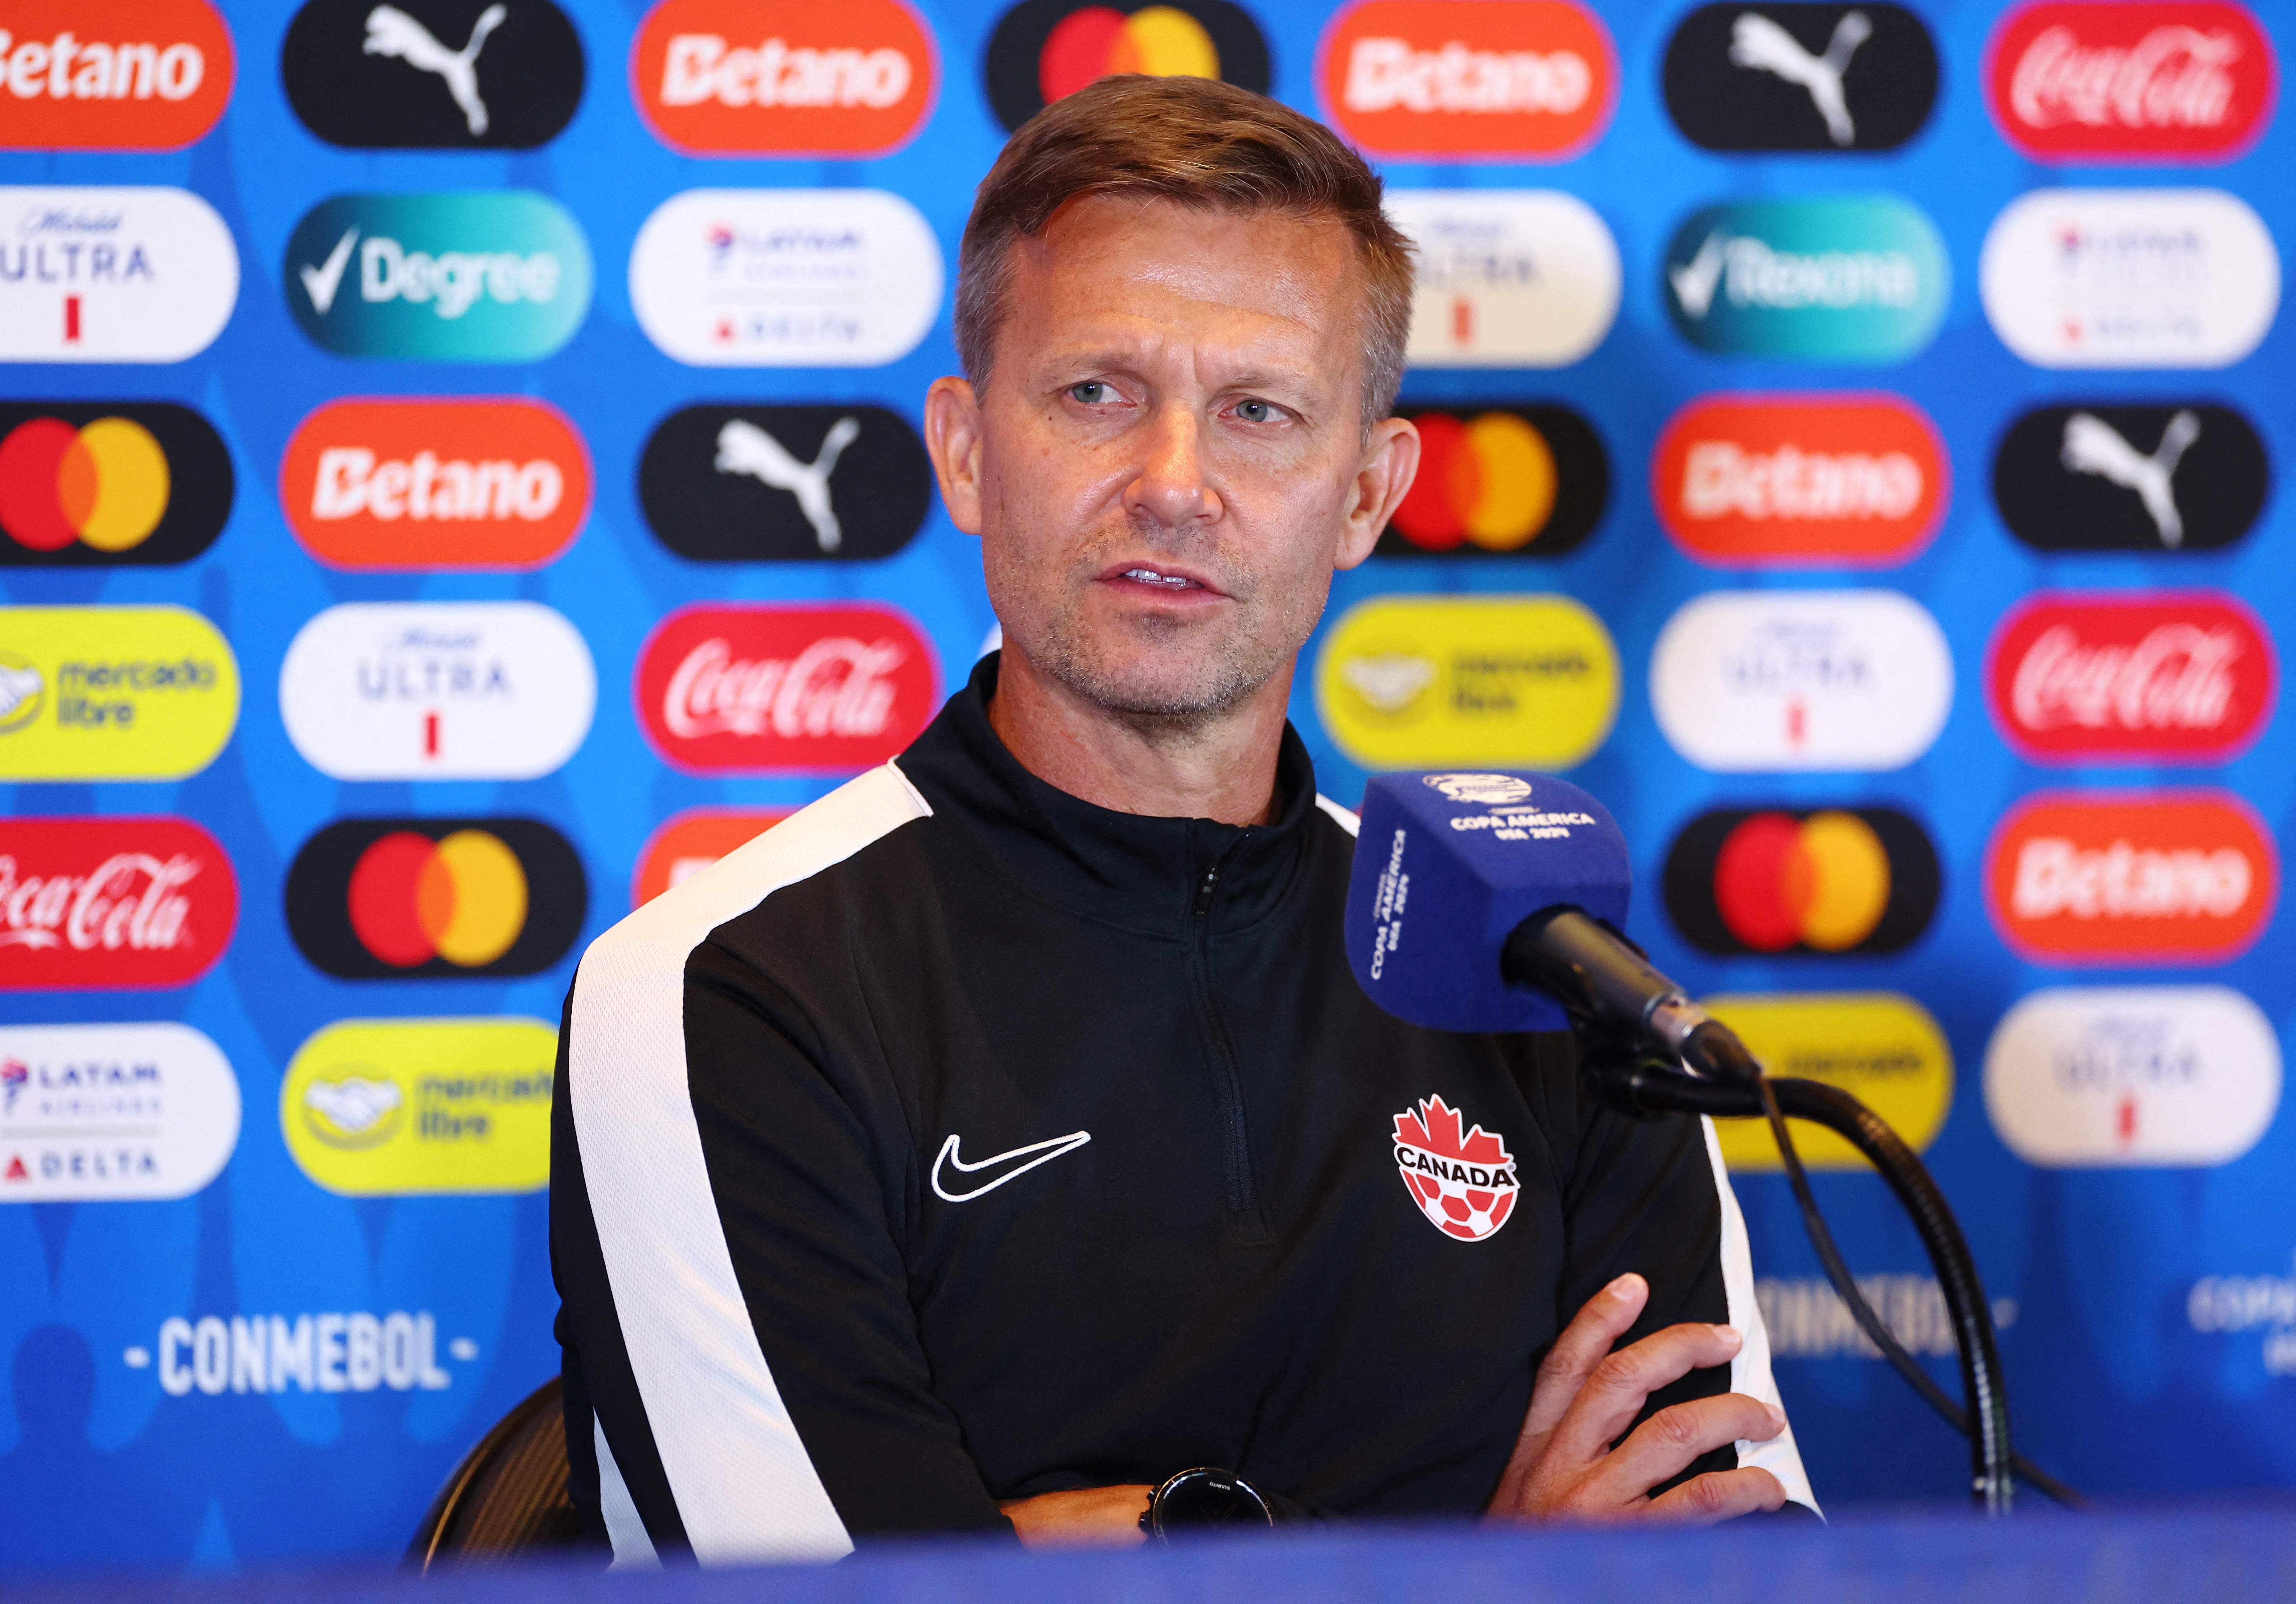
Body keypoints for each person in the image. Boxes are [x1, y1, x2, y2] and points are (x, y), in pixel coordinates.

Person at [550, 74, 1814, 1566]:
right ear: (964, 450)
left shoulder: (1548, 980)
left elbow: (1717, 1552)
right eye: (1097, 394)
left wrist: (1137, 1546)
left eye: (1259, 413)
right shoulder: (720, 993)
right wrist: (1498, 1563)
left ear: (1365, 492)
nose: (1173, 486)